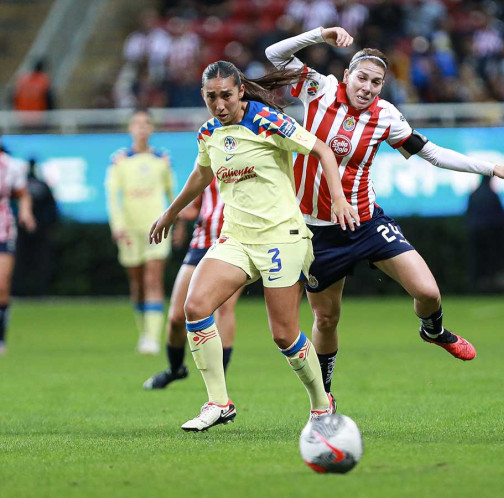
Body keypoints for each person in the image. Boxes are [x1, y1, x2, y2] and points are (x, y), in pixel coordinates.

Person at [265, 26, 504, 395]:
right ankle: (323, 397)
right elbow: (275, 54)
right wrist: (320, 35)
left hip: (365, 222)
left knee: (429, 293)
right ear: (347, 75)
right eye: (362, 77)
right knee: (326, 319)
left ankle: (433, 330)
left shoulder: (386, 116)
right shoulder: (317, 89)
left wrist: (491, 168)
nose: (368, 87)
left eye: (376, 82)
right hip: (316, 232)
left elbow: (432, 153)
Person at [149, 60, 360, 431]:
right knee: (195, 307)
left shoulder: (267, 121)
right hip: (237, 238)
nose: (219, 105)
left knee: (283, 334)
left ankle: (321, 404)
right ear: (203, 96)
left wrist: (340, 199)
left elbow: (323, 150)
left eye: (226, 96)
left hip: (281, 236)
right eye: (211, 97)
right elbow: (201, 175)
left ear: (240, 91)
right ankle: (218, 402)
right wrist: (170, 213)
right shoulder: (208, 133)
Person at [143, 180, 242, 389]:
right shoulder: (210, 158)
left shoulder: (251, 157)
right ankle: (175, 369)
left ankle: (218, 384)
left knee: (224, 308)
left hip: (236, 242)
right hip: (202, 242)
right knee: (177, 317)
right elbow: (196, 207)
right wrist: (174, 216)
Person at [105, 109, 174, 355]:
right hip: (130, 228)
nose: (142, 128)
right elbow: (113, 195)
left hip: (156, 226)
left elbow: (171, 194)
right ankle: (144, 330)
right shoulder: (120, 160)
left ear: (152, 129)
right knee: (137, 282)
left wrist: (176, 222)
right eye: (137, 123)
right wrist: (118, 225)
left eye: (146, 123)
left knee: (153, 279)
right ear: (130, 129)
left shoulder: (162, 159)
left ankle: (153, 338)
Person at [0, 138, 37, 355]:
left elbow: (23, 195)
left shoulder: (10, 165)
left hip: (4, 230)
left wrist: (25, 212)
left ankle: (1, 337)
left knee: (2, 284)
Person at [14, 158, 58, 296]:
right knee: (30, 262)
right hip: (31, 230)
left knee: (31, 262)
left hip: (30, 229)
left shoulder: (29, 185)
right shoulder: (33, 185)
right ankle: (32, 290)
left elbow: (51, 209)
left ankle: (31, 291)